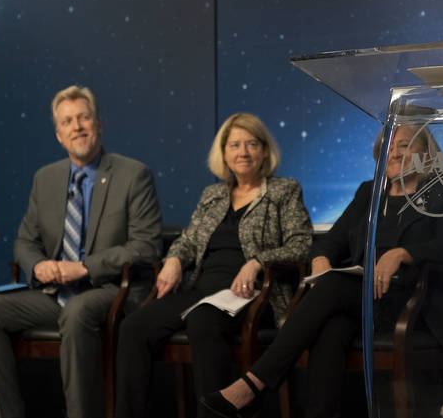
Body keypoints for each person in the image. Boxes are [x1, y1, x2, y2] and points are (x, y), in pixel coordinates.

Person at [201, 123, 443, 418]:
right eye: (389, 148)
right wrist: (320, 259)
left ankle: (254, 383)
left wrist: (404, 253)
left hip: (413, 303)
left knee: (331, 292)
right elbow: (332, 240)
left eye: (405, 145)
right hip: (364, 301)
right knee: (331, 328)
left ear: (427, 152)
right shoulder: (369, 192)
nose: (394, 154)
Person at [0, 85, 163, 418]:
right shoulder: (46, 178)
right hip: (54, 294)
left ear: (99, 124)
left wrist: (85, 268)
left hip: (111, 291)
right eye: (68, 121)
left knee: (77, 312)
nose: (77, 127)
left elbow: (146, 246)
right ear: (59, 134)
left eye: (84, 118)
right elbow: (25, 241)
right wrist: (39, 264)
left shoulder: (133, 175)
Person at [114, 112, 313, 418]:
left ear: (264, 150)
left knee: (203, 320)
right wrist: (174, 260)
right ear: (223, 154)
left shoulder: (284, 191)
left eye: (251, 144)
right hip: (201, 290)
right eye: (234, 145)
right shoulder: (212, 195)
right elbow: (189, 240)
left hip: (251, 293)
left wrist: (257, 262)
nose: (243, 152)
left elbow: (301, 245)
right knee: (133, 327)